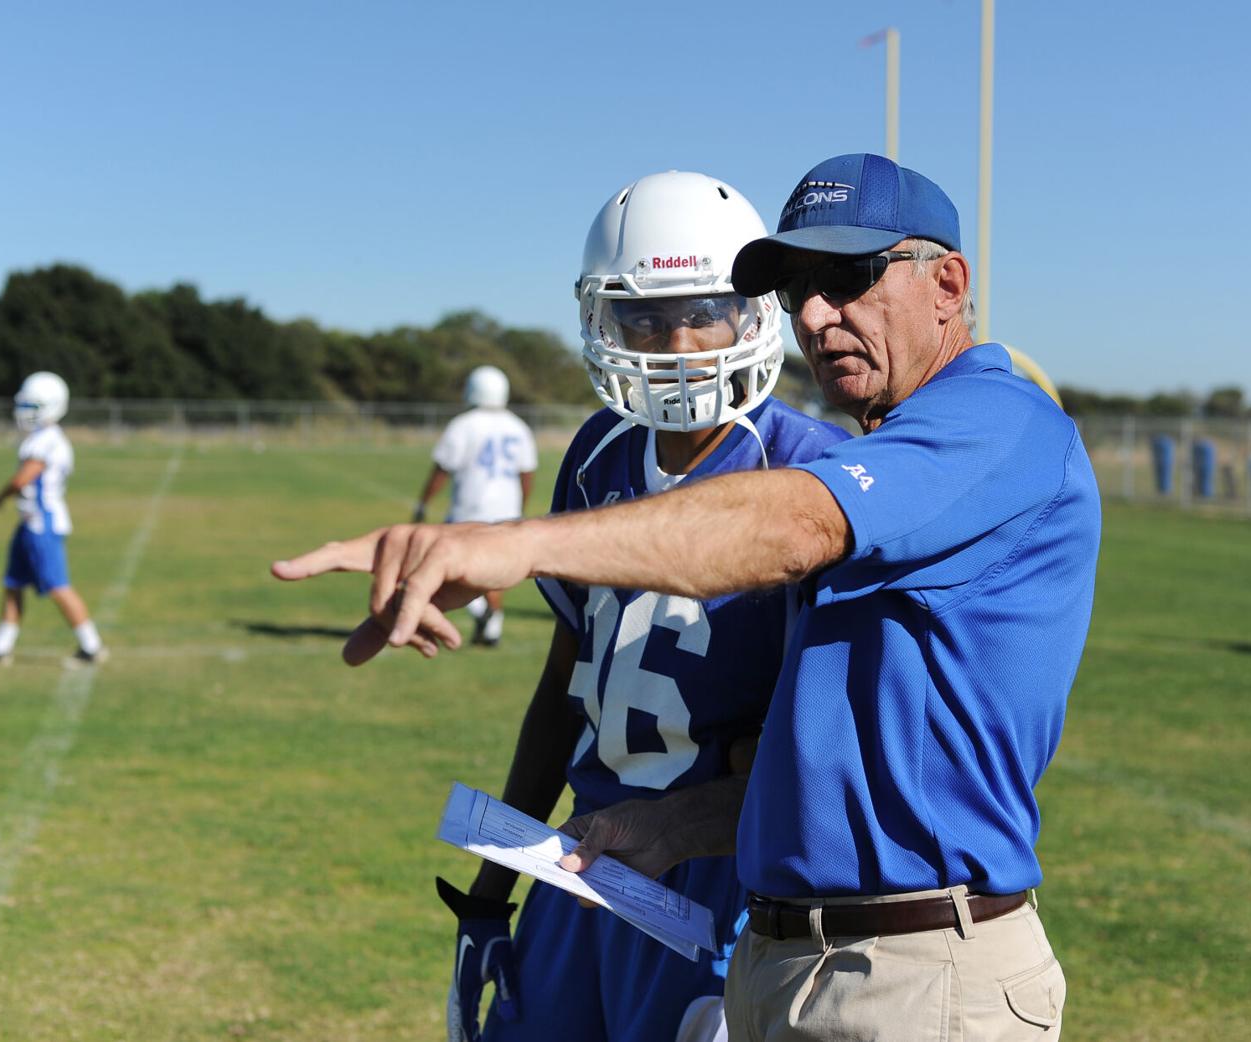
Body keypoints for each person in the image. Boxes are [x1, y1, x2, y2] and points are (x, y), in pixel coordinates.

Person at [273, 153, 1101, 1041]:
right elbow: (829, 765)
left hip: (914, 963)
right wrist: (667, 827)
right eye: (797, 292)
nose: (816, 316)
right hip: (795, 954)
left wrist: (510, 540)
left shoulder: (991, 426)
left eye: (849, 277)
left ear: (949, 282)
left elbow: (789, 527)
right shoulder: (877, 463)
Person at [433, 170, 849, 1042]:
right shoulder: (596, 454)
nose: (680, 343)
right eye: (646, 318)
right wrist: (498, 880)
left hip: (720, 873)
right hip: (585, 856)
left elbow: (828, 729)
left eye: (705, 310)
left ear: (754, 312)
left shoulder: (810, 469)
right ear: (602, 318)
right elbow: (565, 680)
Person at [0, 371, 108, 668]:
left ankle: (92, 647)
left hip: (41, 523)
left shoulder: (47, 441)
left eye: (31, 407)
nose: (24, 413)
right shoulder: (41, 437)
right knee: (13, 583)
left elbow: (22, 480)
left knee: (57, 586)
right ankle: (0, 647)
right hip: (29, 522)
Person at [411, 365, 537, 647]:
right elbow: (526, 474)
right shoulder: (518, 426)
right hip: (507, 509)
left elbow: (443, 468)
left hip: (470, 506)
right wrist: (519, 510)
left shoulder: (463, 424)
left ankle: (480, 613)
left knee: (448, 566)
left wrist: (423, 502)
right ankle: (492, 627)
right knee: (494, 572)